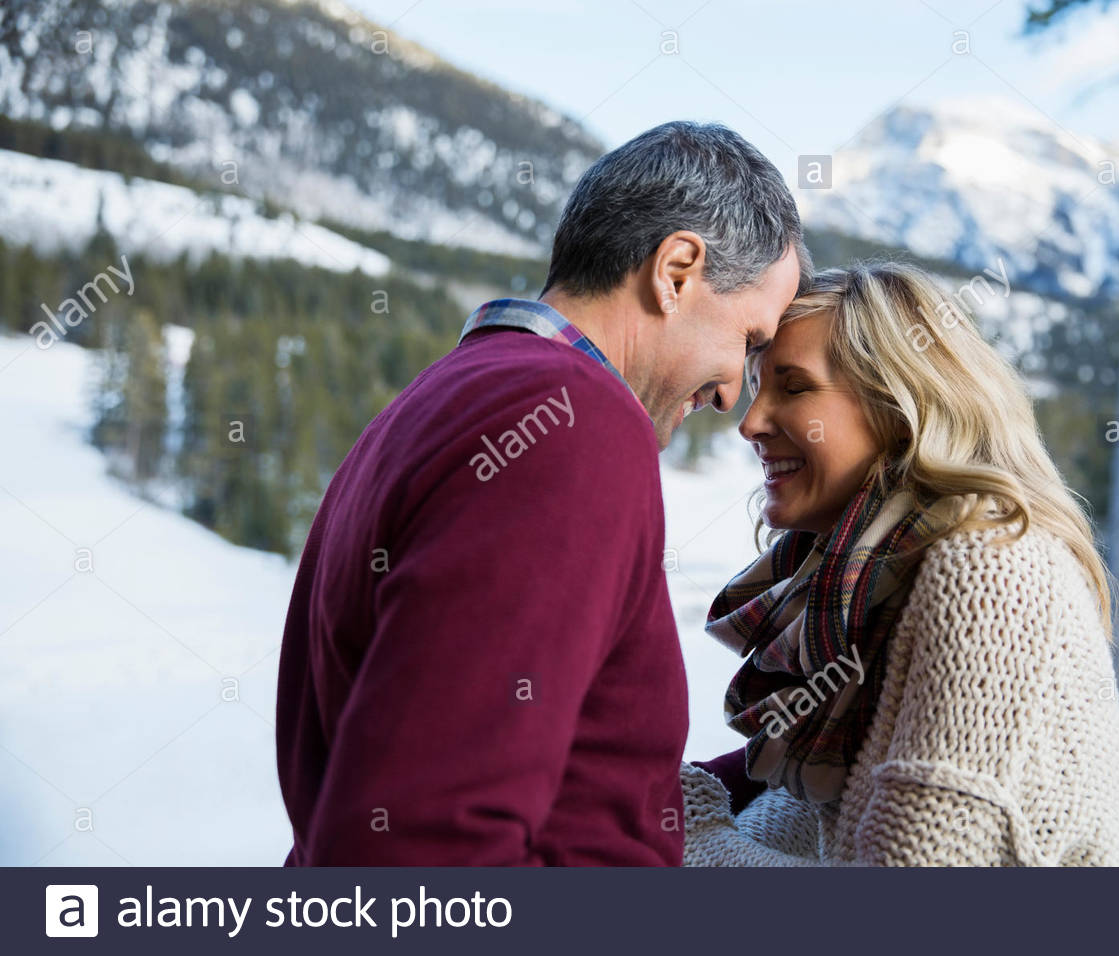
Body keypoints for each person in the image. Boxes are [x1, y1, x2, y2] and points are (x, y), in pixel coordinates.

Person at [276, 121, 810, 865]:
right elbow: (422, 843)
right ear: (678, 270)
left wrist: (779, 772)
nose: (730, 395)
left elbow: (573, 787)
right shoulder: (572, 427)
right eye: (749, 342)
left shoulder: (453, 397)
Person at [682, 262, 1119, 866]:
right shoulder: (868, 574)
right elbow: (830, 814)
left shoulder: (992, 567)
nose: (750, 423)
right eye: (754, 389)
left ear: (899, 405)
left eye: (794, 387)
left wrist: (693, 831)